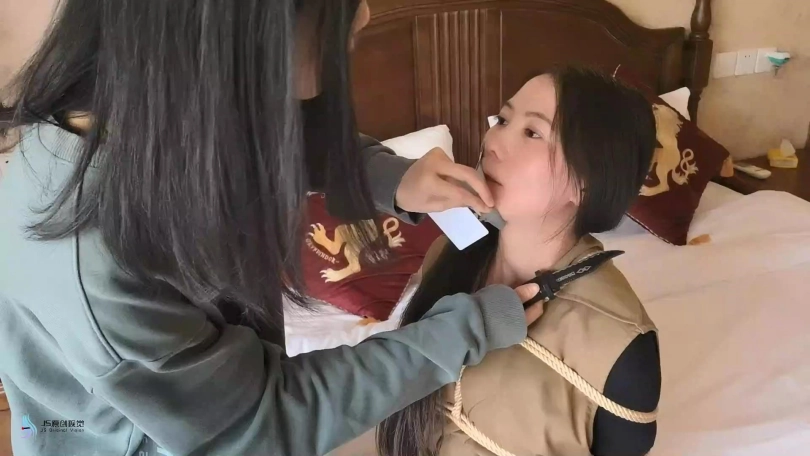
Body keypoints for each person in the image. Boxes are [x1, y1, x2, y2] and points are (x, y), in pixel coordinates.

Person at [0, 1, 544, 455]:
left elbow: (280, 141)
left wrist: (392, 178)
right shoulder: (94, 258)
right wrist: (464, 330)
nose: (363, 16)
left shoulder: (173, 108)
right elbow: (255, 425)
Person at [377, 67, 661, 456]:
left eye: (532, 133)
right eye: (503, 120)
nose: (493, 141)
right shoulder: (447, 253)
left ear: (586, 182)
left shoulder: (623, 344)